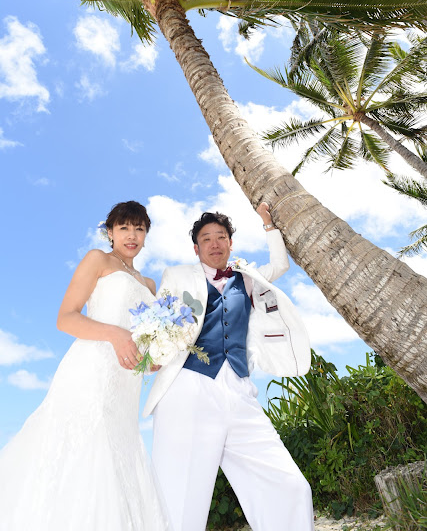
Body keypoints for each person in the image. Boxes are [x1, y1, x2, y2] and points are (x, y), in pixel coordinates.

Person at [0, 201, 169, 531]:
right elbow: (65, 318)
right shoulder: (98, 260)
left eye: (139, 228)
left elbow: (146, 341)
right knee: (86, 447)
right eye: (123, 228)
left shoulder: (150, 285)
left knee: (119, 454)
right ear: (110, 232)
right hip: (91, 369)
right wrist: (114, 335)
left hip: (126, 383)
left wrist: (153, 360)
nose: (132, 235)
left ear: (147, 234)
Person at [145, 202, 315, 531]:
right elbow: (159, 322)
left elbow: (280, 264)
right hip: (188, 387)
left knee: (291, 486)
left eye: (221, 236)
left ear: (230, 243)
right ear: (196, 248)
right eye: (206, 238)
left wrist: (268, 223)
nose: (214, 243)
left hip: (239, 390)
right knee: (179, 500)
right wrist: (153, 353)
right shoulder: (177, 276)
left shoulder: (247, 279)